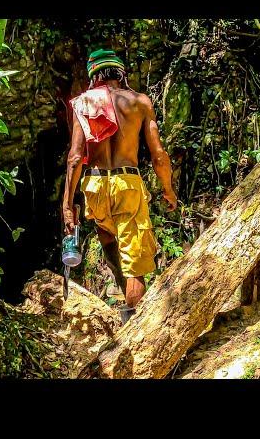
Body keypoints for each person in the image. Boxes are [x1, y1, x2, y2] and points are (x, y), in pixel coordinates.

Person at [62, 49, 177, 324]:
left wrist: (67, 204)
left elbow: (75, 157)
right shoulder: (139, 102)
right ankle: (139, 327)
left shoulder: (85, 103)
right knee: (135, 261)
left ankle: (128, 309)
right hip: (127, 184)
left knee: (108, 236)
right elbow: (159, 155)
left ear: (94, 77)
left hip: (95, 185)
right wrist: (168, 189)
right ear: (120, 73)